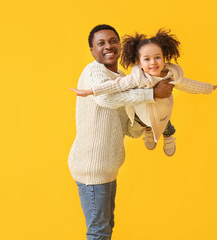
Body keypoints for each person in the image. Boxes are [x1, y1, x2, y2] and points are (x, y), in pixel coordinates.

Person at [68, 24, 173, 240]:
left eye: (113, 41)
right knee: (99, 232)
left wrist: (148, 119)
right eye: (101, 43)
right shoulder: (93, 70)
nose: (108, 46)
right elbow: (105, 99)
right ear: (92, 50)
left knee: (106, 228)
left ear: (120, 45)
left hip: (109, 166)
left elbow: (129, 128)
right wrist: (152, 94)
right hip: (92, 166)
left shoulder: (124, 78)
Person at [71, 29, 217, 157]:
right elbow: (116, 85)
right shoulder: (136, 78)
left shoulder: (170, 75)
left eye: (157, 58)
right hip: (141, 115)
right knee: (142, 123)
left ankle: (168, 138)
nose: (153, 62)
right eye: (147, 59)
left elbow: (188, 84)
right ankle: (147, 130)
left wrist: (208, 88)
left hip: (161, 114)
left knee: (167, 127)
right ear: (140, 63)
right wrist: (92, 90)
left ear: (164, 58)